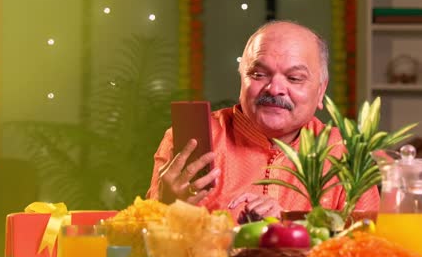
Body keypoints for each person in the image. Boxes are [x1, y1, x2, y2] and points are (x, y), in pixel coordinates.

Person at [146, 21, 379, 221]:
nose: (275, 88)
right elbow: (148, 238)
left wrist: (289, 223)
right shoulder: (193, 139)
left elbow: (366, 243)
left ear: (320, 91)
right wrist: (165, 207)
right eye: (258, 74)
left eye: (294, 78)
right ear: (242, 81)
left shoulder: (346, 154)